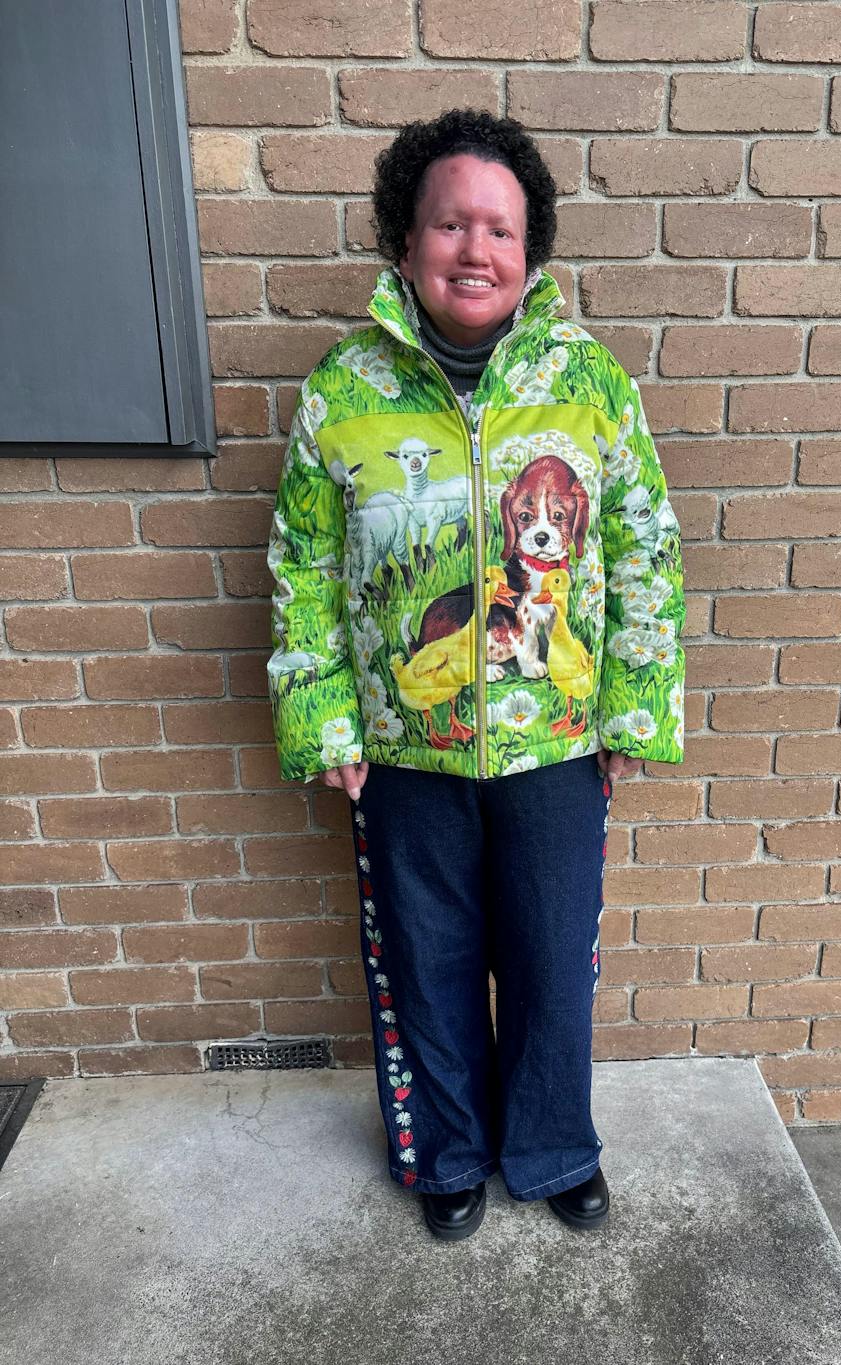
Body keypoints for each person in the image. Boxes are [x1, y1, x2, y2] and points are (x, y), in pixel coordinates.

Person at [266, 108, 686, 1241]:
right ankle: (446, 1152)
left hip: (555, 739)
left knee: (550, 958)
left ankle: (552, 1148)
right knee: (428, 960)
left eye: (499, 229)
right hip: (404, 748)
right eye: (449, 224)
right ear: (405, 241)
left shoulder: (590, 383)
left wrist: (633, 709)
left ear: (529, 250)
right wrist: (324, 720)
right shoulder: (343, 390)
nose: (474, 249)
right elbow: (303, 564)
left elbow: (644, 548)